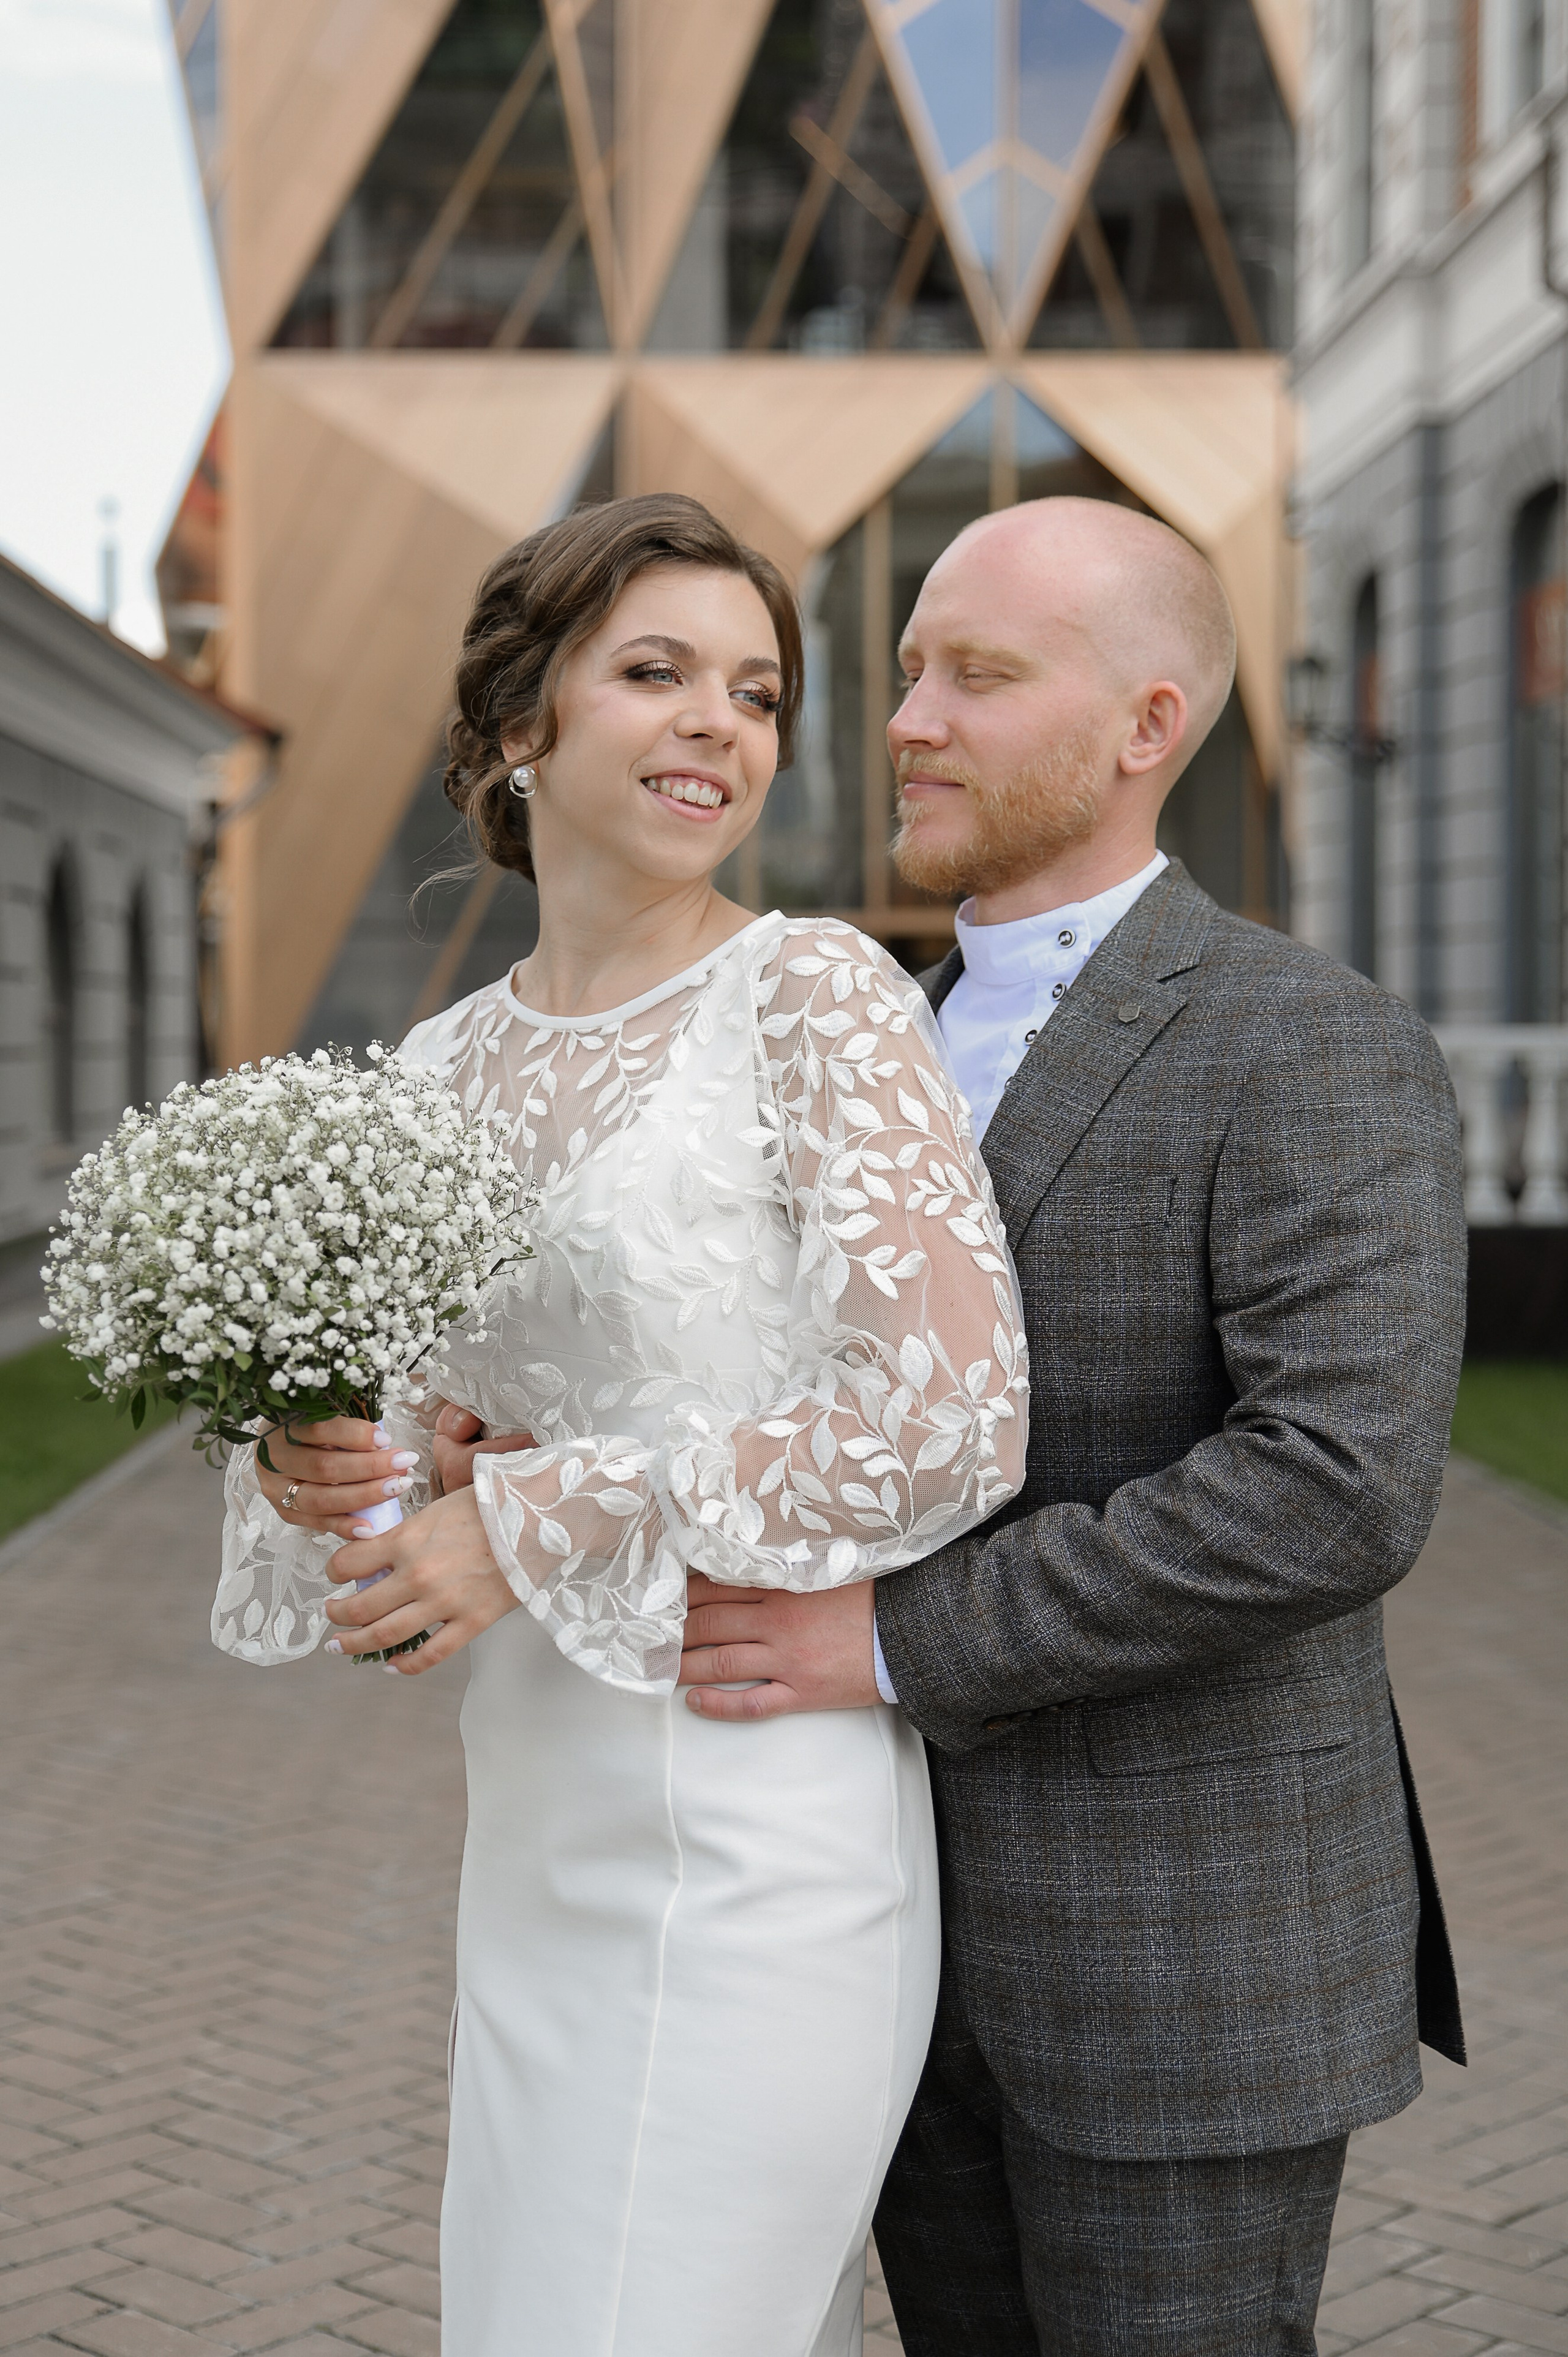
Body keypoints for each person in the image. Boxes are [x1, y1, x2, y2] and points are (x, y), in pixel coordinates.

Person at [211, 492, 1029, 2356]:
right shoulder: (437, 1071)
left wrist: (536, 1513)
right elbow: (393, 1501)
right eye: (655, 672)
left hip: (759, 1824)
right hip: (535, 1835)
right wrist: (321, 1468)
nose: (717, 725)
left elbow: (952, 1421)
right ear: (523, 729)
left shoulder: (814, 994)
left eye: (755, 692)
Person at [677, 496, 1469, 2356]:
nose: (907, 719)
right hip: (872, 1938)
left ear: (1148, 725)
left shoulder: (1310, 1041)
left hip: (1183, 1962)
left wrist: (889, 1638)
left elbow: (1335, 1490)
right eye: (904, 673)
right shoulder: (861, 1044)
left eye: (981, 673)